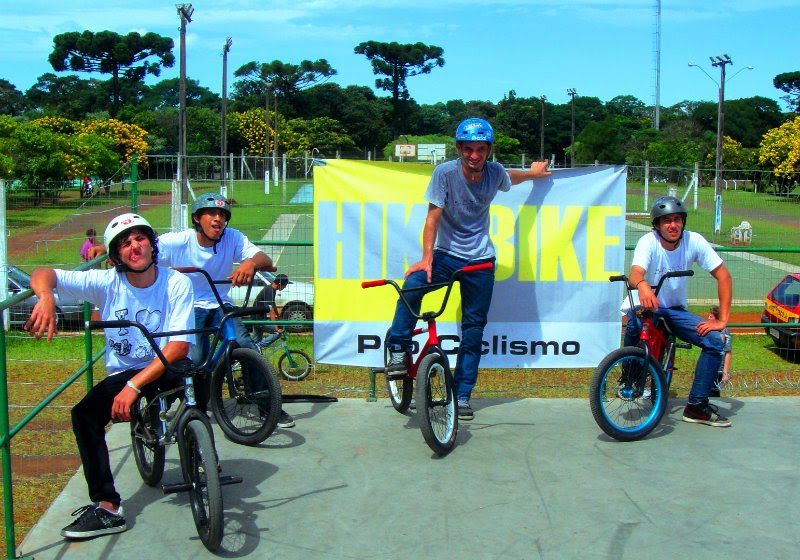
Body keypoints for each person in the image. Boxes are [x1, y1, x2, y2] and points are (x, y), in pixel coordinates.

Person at [24, 213, 195, 539]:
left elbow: (179, 347)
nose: (134, 247)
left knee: (199, 380)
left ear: (152, 244)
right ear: (115, 255)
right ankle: (107, 506)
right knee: (84, 415)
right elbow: (45, 273)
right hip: (125, 372)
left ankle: (202, 453)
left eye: (140, 239)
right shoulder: (105, 283)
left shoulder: (176, 282)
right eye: (125, 244)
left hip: (165, 364)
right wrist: (45, 296)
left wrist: (134, 386)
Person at [384, 117, 552, 421]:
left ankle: (461, 395)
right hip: (447, 255)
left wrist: (532, 174)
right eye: (468, 149)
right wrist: (427, 258)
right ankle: (398, 349)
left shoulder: (494, 172)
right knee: (412, 287)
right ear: (459, 148)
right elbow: (432, 217)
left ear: (488, 150)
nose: (474, 155)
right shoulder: (445, 173)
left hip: (481, 261)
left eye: (481, 149)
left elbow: (509, 178)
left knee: (473, 330)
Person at [91, 194, 295, 428]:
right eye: (212, 214)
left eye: (223, 215)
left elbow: (263, 258)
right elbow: (143, 247)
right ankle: (182, 406)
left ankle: (266, 405)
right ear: (197, 218)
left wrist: (250, 263)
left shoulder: (232, 237)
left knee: (247, 347)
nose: (218, 219)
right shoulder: (179, 241)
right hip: (190, 305)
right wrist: (108, 248)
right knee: (194, 359)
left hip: (221, 303)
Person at [625, 195, 733, 427]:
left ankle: (696, 406)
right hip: (648, 307)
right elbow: (635, 274)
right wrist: (643, 285)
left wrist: (722, 320)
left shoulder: (693, 241)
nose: (673, 225)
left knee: (715, 341)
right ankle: (629, 377)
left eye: (677, 220)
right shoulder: (648, 242)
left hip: (674, 311)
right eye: (667, 221)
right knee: (634, 323)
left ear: (683, 221)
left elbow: (723, 276)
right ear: (656, 225)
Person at [253, 273, 291, 348]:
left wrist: (278, 315)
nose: (285, 287)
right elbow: (271, 311)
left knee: (255, 342)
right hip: (258, 320)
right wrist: (276, 327)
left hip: (257, 318)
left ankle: (251, 351)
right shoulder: (269, 290)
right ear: (279, 284)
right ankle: (260, 346)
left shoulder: (272, 289)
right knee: (277, 332)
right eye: (284, 285)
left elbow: (273, 304)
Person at [708, 305, 732, 397]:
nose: (708, 318)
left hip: (718, 369)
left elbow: (728, 353)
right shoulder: (709, 329)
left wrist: (725, 372)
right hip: (707, 367)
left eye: (711, 316)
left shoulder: (724, 331)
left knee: (713, 394)